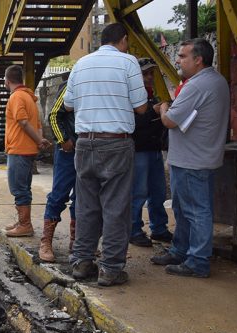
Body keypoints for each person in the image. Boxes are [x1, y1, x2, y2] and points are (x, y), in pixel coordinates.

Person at [63, 22, 148, 286]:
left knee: (87, 206)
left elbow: (68, 104)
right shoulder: (128, 62)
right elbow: (142, 107)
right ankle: (110, 269)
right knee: (115, 207)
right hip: (116, 144)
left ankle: (82, 262)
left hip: (85, 143)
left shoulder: (81, 64)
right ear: (123, 40)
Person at [151, 38, 230, 278]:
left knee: (195, 211)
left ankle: (197, 260)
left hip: (191, 159)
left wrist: (163, 106)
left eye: (183, 56)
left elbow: (170, 120)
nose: (178, 60)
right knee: (186, 209)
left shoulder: (196, 85)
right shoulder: (217, 80)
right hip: (201, 156)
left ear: (198, 59)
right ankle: (181, 250)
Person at [3, 65, 51, 237]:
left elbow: (23, 122)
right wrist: (39, 141)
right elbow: (37, 124)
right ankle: (22, 221)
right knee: (24, 186)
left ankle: (25, 225)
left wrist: (39, 140)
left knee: (18, 188)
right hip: (28, 149)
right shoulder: (29, 97)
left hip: (19, 149)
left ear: (7, 81)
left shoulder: (16, 97)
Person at [129, 58, 172, 248]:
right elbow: (131, 124)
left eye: (150, 74)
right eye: (145, 74)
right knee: (138, 193)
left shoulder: (152, 96)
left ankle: (159, 228)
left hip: (154, 150)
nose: (149, 77)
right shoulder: (130, 97)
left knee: (158, 193)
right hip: (138, 151)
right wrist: (153, 113)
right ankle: (134, 230)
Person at [39, 75, 77, 262]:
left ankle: (76, 242)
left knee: (83, 198)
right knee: (59, 194)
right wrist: (64, 140)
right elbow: (53, 115)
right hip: (67, 151)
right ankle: (46, 241)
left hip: (87, 150)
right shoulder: (70, 85)